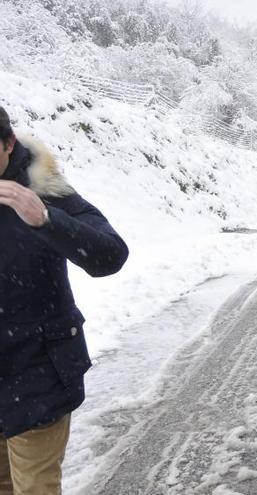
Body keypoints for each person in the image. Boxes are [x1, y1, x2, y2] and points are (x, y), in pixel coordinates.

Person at [0, 106, 129, 493]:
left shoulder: (44, 186)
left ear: (8, 144)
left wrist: (47, 220)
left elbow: (111, 255)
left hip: (36, 375)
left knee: (35, 488)